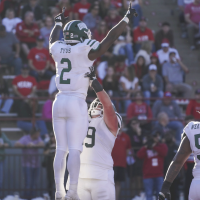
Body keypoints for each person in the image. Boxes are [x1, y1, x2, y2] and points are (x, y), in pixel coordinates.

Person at [49, 4, 137, 199]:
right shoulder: (84, 49)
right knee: (74, 149)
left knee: (60, 149)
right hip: (76, 101)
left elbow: (53, 40)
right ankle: (72, 191)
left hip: (59, 99)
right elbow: (110, 38)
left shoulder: (58, 47)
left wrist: (57, 23)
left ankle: (58, 190)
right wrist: (126, 19)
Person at [76, 71, 122, 200]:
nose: (99, 104)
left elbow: (107, 106)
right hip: (81, 175)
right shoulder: (82, 119)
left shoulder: (110, 122)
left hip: (100, 174)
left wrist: (95, 83)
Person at [15, 129, 44, 199]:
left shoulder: (38, 138)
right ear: (34, 134)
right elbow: (16, 144)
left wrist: (34, 145)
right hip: (27, 164)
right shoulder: (25, 138)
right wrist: (26, 146)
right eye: (38, 134)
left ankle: (33, 198)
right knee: (28, 183)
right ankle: (26, 197)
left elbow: (42, 144)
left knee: (34, 183)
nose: (39, 135)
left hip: (36, 164)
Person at [137, 133, 168, 200]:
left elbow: (164, 153)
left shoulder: (162, 145)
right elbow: (139, 155)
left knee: (160, 195)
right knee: (149, 194)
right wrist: (145, 146)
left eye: (157, 136)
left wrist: (154, 146)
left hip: (159, 175)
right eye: (154, 137)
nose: (156, 138)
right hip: (148, 175)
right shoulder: (146, 147)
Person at [112, 129, 132, 200]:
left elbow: (128, 149)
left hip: (121, 164)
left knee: (118, 183)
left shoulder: (126, 137)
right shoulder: (111, 134)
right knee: (110, 183)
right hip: (111, 164)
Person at [43, 133, 56, 199]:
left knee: (58, 180)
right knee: (50, 180)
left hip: (58, 164)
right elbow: (45, 153)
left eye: (54, 137)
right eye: (51, 137)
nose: (53, 138)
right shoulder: (48, 144)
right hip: (49, 164)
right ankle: (50, 196)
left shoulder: (60, 143)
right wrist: (51, 147)